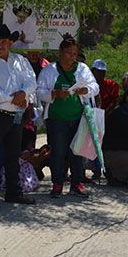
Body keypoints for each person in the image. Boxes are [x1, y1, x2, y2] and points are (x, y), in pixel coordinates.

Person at [0, 23, 37, 210]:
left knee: (13, 156)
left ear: (10, 42)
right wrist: (15, 98)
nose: (0, 45)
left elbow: (31, 80)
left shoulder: (21, 61)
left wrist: (23, 94)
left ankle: (13, 192)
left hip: (16, 116)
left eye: (3, 41)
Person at [37, 37, 99, 198]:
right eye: (68, 53)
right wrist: (54, 94)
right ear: (60, 52)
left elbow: (95, 86)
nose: (72, 56)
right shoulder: (50, 70)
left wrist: (86, 90)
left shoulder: (82, 69)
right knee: (58, 152)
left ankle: (76, 183)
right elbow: (39, 91)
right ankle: (57, 183)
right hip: (57, 118)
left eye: (74, 53)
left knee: (77, 151)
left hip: (78, 117)